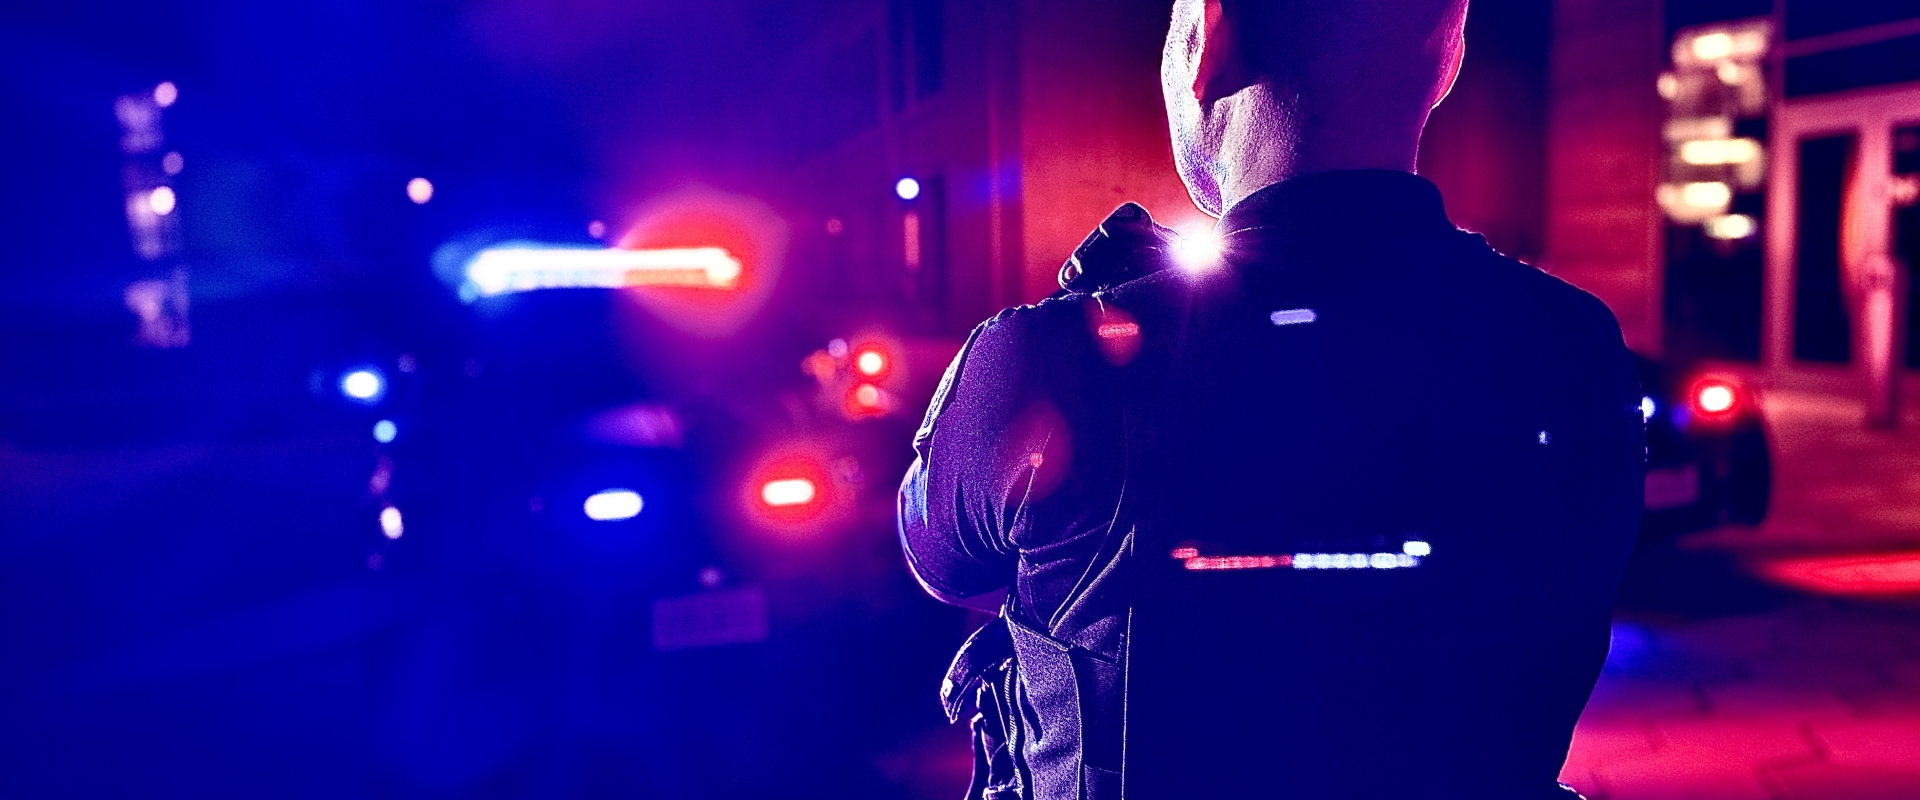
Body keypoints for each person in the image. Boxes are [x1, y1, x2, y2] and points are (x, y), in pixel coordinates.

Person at [897, 1, 1646, 797]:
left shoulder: (1058, 359)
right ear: (1448, 59)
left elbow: (944, 563)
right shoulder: (1578, 347)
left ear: (1209, 37)